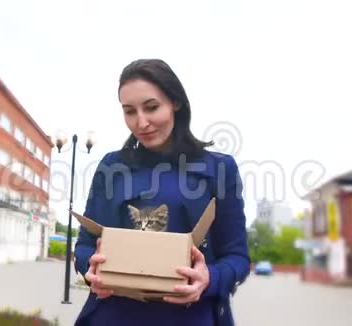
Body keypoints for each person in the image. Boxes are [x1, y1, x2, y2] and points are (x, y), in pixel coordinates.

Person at [73, 59, 250, 326]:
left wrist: (209, 278)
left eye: (152, 107)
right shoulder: (112, 167)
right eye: (129, 111)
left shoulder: (219, 168)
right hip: (114, 316)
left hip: (191, 317)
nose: (141, 122)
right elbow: (85, 247)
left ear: (175, 102)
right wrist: (92, 269)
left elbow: (238, 257)